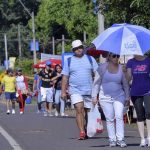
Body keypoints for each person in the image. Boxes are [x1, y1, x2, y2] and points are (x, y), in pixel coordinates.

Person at [61, 39, 98, 140]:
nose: (79, 50)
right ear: (73, 50)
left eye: (80, 47)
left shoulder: (90, 59)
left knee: (87, 112)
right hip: (75, 90)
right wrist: (63, 91)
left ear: (83, 48)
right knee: (79, 109)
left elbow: (97, 74)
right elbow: (65, 77)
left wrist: (98, 89)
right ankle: (82, 131)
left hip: (89, 90)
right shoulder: (69, 61)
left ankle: (86, 128)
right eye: (76, 48)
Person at [92, 52, 130, 147]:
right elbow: (96, 83)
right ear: (109, 57)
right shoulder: (102, 68)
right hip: (104, 97)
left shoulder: (122, 68)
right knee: (109, 118)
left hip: (119, 96)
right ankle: (112, 139)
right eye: (114, 56)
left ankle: (120, 139)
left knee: (119, 116)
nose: (116, 58)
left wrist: (127, 97)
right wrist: (94, 96)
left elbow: (126, 84)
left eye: (117, 56)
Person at [126, 55, 150, 147]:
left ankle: (149, 137)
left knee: (149, 112)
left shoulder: (148, 61)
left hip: (148, 90)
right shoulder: (130, 62)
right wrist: (127, 74)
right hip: (135, 91)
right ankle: (142, 139)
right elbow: (128, 79)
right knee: (140, 115)